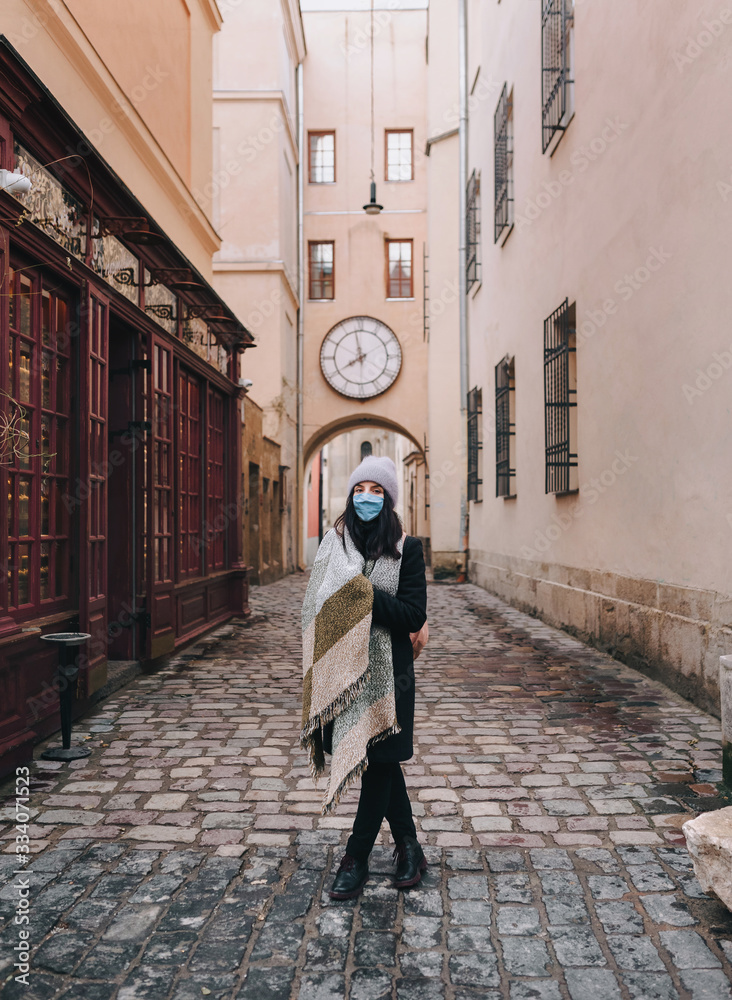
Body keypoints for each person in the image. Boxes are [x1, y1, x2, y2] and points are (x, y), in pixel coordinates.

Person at [300, 455, 428, 900]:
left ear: (389, 499)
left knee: (381, 760)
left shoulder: (407, 549)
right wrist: (346, 595)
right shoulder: (333, 546)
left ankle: (355, 856)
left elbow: (413, 614)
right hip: (345, 674)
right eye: (360, 489)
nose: (367, 498)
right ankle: (409, 847)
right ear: (350, 495)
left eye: (377, 491)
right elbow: (315, 607)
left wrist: (361, 592)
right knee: (383, 761)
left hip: (391, 675)